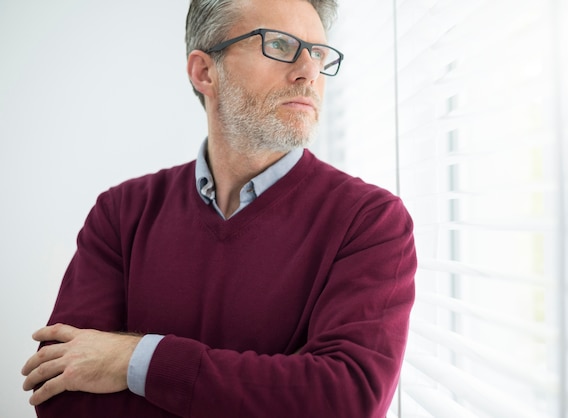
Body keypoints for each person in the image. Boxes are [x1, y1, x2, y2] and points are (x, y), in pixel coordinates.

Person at [21, 0, 417, 416]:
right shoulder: (122, 213)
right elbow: (60, 391)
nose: (309, 72)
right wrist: (268, 388)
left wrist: (135, 360)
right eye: (280, 45)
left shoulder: (370, 222)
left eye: (318, 53)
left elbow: (343, 401)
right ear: (204, 71)